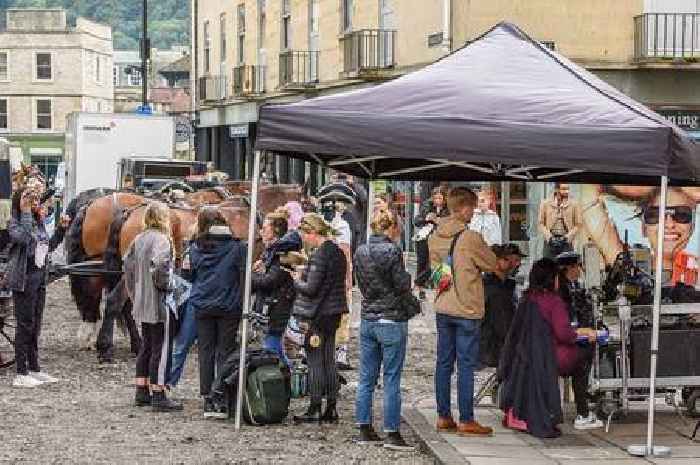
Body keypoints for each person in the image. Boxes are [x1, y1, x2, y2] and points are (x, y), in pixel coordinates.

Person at [498, 259, 598, 437]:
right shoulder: (553, 301)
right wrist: (583, 333)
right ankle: (583, 412)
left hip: (527, 357)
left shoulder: (526, 299)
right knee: (585, 353)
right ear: (552, 279)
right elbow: (564, 335)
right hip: (549, 356)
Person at [428, 187, 498, 436]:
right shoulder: (471, 238)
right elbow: (493, 265)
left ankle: (443, 416)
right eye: (473, 207)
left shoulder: (435, 236)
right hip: (466, 308)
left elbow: (438, 273)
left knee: (444, 363)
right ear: (465, 208)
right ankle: (467, 419)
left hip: (443, 305)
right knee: (466, 365)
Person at [353, 208, 415, 451]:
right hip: (391, 318)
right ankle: (391, 431)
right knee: (391, 378)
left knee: (366, 378)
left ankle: (364, 427)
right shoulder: (392, 250)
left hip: (368, 316)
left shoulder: (361, 250)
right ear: (391, 228)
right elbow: (401, 285)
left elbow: (361, 282)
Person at [6, 187, 69, 388]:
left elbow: (47, 247)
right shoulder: (15, 222)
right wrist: (25, 211)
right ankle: (21, 372)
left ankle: (34, 368)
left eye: (35, 201)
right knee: (24, 324)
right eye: (30, 200)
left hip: (39, 277)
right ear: (20, 202)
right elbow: (23, 239)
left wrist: (61, 229)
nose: (35, 204)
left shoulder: (37, 222)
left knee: (36, 325)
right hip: (24, 278)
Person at [188, 207, 246, 418]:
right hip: (229, 305)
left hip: (203, 304)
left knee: (205, 352)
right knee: (226, 352)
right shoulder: (238, 247)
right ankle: (221, 394)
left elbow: (189, 274)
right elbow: (242, 276)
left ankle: (207, 397)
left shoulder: (195, 247)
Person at [123, 202, 181, 411]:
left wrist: (133, 293)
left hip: (141, 301)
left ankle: (141, 390)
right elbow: (160, 267)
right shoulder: (162, 240)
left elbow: (127, 267)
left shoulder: (138, 239)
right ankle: (158, 392)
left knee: (146, 345)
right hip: (159, 302)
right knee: (161, 347)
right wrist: (169, 285)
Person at [291, 213, 348, 424]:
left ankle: (315, 407)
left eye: (305, 235)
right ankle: (331, 407)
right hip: (334, 312)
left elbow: (311, 288)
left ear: (313, 233)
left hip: (318, 313)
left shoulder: (320, 255)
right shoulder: (338, 252)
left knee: (315, 359)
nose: (304, 240)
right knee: (329, 359)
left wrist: (297, 279)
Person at [556, 252, 603, 430]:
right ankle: (582, 412)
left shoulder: (571, 287)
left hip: (565, 340)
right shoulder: (562, 291)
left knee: (585, 353)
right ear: (568, 268)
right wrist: (582, 331)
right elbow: (567, 324)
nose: (580, 270)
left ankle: (583, 409)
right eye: (577, 266)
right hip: (563, 345)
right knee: (583, 359)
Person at [252, 210, 302, 369]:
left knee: (271, 348)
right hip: (273, 303)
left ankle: (284, 381)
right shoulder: (271, 251)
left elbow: (270, 281)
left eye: (265, 228)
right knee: (276, 347)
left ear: (276, 231)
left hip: (277, 305)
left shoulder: (282, 253)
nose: (261, 232)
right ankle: (292, 378)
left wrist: (249, 276)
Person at [479, 244, 525, 368]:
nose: (516, 264)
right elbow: (502, 325)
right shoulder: (493, 289)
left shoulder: (507, 286)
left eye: (518, 260)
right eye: (509, 260)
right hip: (494, 349)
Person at [414, 187, 450, 296]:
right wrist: (426, 219)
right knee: (422, 261)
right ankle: (420, 288)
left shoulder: (448, 208)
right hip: (425, 237)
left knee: (436, 263)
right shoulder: (427, 205)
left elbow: (448, 223)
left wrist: (437, 220)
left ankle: (432, 284)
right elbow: (417, 221)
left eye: (440, 198)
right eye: (435, 198)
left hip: (440, 239)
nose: (437, 200)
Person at [538, 183, 582, 259]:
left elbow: (578, 224)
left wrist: (567, 237)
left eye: (567, 189)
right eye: (564, 189)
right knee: (548, 265)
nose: (567, 191)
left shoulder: (574, 204)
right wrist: (550, 238)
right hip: (550, 241)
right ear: (556, 189)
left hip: (566, 241)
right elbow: (540, 223)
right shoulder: (545, 203)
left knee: (566, 266)